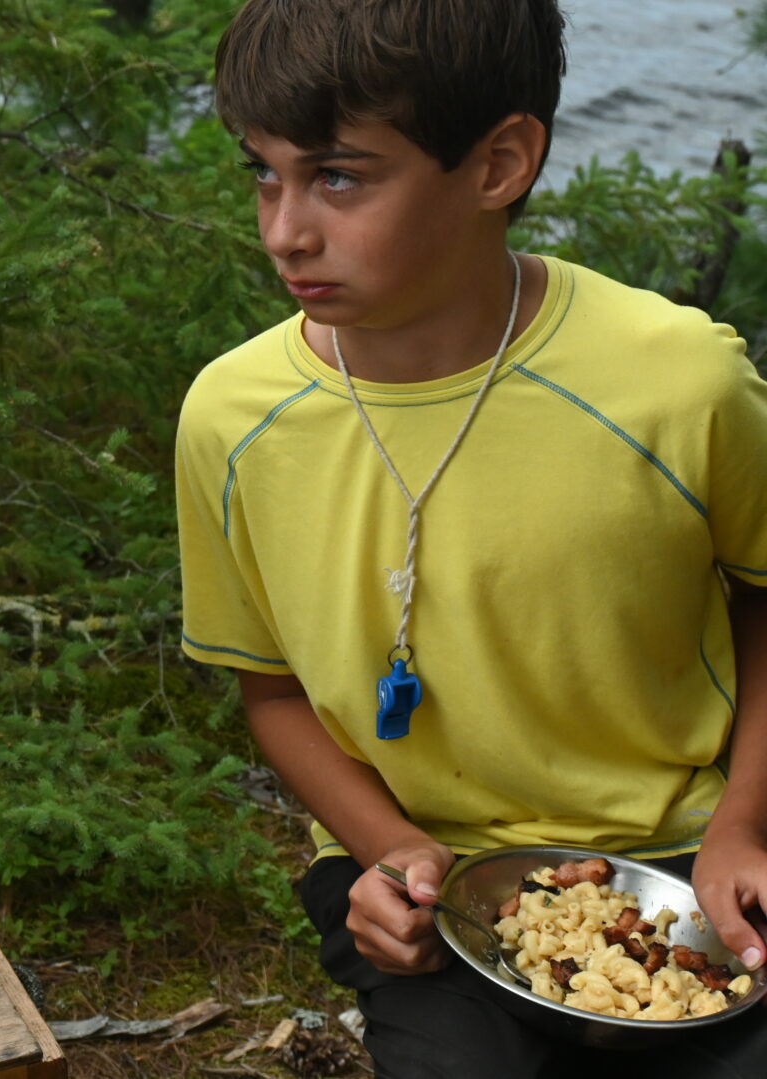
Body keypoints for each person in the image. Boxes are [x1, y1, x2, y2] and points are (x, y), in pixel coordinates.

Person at [177, 1, 767, 1075]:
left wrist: (744, 826)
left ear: (499, 163)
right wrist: (385, 850)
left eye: (338, 177)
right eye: (263, 172)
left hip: (686, 847)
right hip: (414, 864)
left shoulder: (678, 382)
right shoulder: (234, 417)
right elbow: (271, 687)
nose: (283, 230)